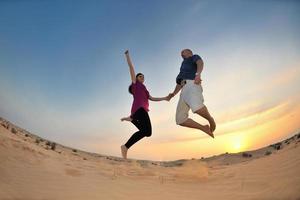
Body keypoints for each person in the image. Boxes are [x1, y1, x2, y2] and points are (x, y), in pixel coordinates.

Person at [120, 50, 170, 159]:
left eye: (143, 77)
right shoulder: (135, 85)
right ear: (137, 78)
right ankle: (125, 146)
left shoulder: (145, 89)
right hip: (139, 110)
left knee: (147, 133)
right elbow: (131, 68)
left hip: (139, 112)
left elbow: (152, 98)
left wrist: (165, 98)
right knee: (147, 132)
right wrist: (127, 55)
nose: (142, 78)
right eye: (140, 76)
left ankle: (131, 122)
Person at [168, 49, 216, 138]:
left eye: (183, 52)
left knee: (197, 107)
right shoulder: (182, 67)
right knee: (180, 119)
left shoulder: (193, 57)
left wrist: (198, 74)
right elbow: (179, 84)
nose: (181, 54)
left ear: (190, 52)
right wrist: (173, 94)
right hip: (183, 91)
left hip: (192, 84)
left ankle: (210, 119)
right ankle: (203, 128)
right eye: (180, 54)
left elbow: (200, 62)